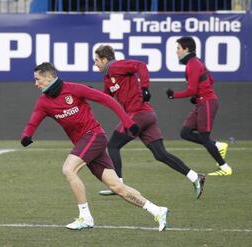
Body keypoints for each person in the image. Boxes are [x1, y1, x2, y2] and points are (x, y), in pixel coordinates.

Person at [21, 62, 169, 231]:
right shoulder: (43, 102)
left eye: (37, 79)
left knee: (69, 169)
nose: (35, 84)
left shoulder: (74, 89)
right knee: (116, 187)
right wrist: (27, 136)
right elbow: (33, 121)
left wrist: (128, 122)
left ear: (48, 76)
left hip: (93, 136)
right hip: (85, 143)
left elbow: (107, 100)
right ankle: (157, 210)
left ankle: (85, 217)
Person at [93, 45, 206, 198]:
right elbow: (106, 98)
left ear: (105, 59)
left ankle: (117, 185)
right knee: (160, 154)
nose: (95, 64)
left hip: (138, 114)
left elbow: (141, 66)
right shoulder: (108, 78)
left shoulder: (118, 66)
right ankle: (195, 177)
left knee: (112, 145)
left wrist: (145, 87)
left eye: (96, 60)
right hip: (147, 116)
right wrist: (89, 93)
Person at [166, 36, 232, 176]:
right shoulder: (195, 62)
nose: (176, 51)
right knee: (185, 133)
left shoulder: (193, 64)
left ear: (186, 49)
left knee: (204, 137)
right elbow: (211, 80)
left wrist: (174, 95)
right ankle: (218, 145)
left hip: (206, 103)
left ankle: (224, 167)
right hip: (202, 102)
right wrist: (198, 97)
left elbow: (192, 90)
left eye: (178, 48)